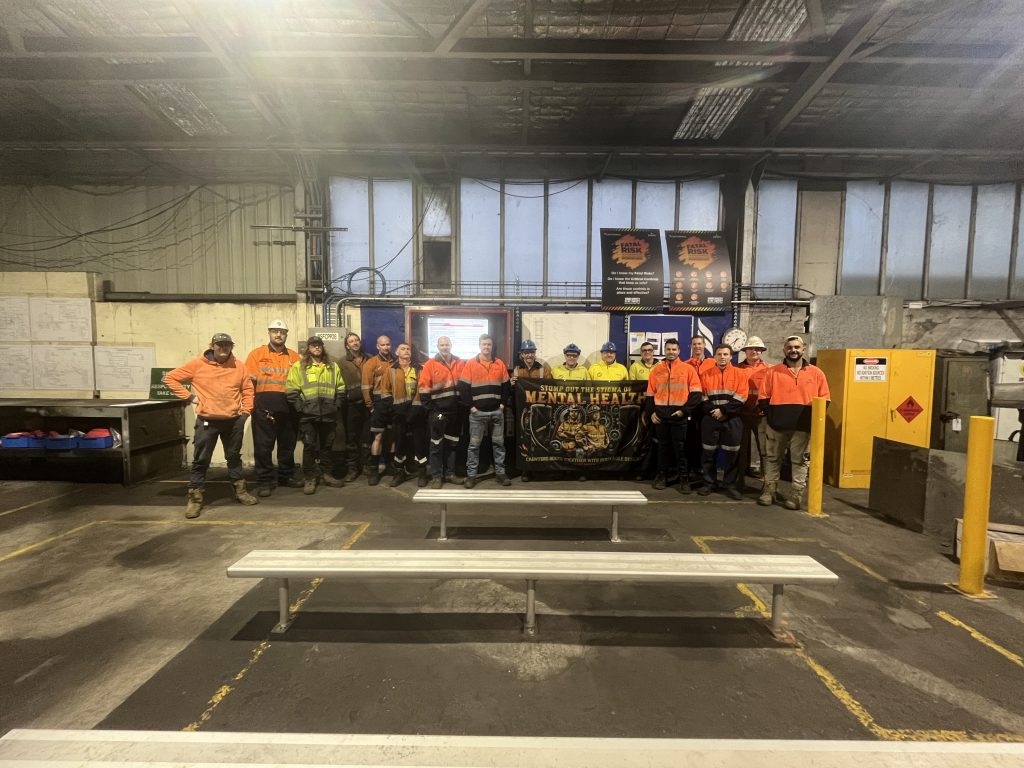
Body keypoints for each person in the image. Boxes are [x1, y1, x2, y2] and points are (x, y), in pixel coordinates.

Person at [164, 332, 258, 518]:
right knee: (201, 459)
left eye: (227, 345)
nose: (223, 348)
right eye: (220, 345)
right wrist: (189, 397)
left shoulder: (240, 367)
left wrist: (246, 412)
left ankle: (240, 491)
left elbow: (248, 390)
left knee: (233, 457)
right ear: (212, 346)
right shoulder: (197, 365)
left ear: (232, 347)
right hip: (207, 420)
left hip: (233, 421)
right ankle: (195, 497)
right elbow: (169, 378)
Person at [758, 335, 831, 510]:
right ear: (784, 350)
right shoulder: (772, 372)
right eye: (789, 347)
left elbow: (825, 400)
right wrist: (774, 418)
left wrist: (810, 421)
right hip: (777, 426)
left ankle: (796, 494)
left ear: (803, 350)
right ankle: (769, 491)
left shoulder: (816, 373)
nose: (793, 350)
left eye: (797, 347)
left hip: (803, 428)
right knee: (773, 459)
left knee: (800, 461)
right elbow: (763, 398)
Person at [244, 319, 302, 497]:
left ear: (286, 335)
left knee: (287, 445)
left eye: (282, 332)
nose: (278, 335)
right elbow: (249, 383)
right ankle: (264, 481)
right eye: (275, 331)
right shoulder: (256, 354)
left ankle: (286, 476)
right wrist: (250, 406)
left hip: (288, 406)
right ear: (269, 333)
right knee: (263, 446)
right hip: (264, 406)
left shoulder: (294, 357)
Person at [286, 336, 346, 494]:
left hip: (328, 413)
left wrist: (336, 406)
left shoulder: (332, 366)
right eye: (313, 345)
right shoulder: (300, 367)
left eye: (319, 345)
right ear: (308, 348)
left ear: (322, 347)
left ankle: (326, 474)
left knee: (327, 445)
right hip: (308, 415)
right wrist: (301, 409)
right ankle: (310, 478)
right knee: (310, 446)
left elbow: (340, 388)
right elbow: (291, 390)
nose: (316, 348)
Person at [645, 338, 703, 493]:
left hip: (680, 416)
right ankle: (661, 476)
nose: (671, 352)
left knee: (681, 449)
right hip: (661, 417)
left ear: (679, 351)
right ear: (664, 350)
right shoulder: (656, 370)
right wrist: (651, 413)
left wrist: (684, 411)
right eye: (668, 349)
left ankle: (684, 479)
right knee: (662, 448)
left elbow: (697, 394)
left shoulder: (688, 369)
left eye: (674, 349)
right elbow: (650, 395)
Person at [458, 333, 511, 488]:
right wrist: (472, 407)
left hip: (496, 412)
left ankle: (500, 473)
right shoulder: (470, 364)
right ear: (479, 345)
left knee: (499, 444)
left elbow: (506, 386)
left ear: (492, 346)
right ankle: (471, 476)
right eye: (484, 344)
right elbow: (463, 387)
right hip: (477, 413)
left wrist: (502, 405)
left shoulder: (499, 363)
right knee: (474, 446)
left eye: (489, 344)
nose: (486, 347)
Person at [697, 344, 749, 499]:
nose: (722, 357)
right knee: (708, 452)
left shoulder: (740, 374)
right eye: (719, 354)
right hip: (710, 419)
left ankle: (730, 485)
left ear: (731, 356)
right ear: (714, 356)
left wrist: (724, 411)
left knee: (732, 454)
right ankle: (709, 483)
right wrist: (715, 412)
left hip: (732, 420)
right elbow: (702, 397)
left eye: (726, 354)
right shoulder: (705, 374)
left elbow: (741, 397)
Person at [380, 342, 428, 487]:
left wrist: (416, 408)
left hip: (417, 412)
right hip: (399, 414)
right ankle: (399, 472)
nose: (406, 351)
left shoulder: (420, 369)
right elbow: (384, 391)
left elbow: (423, 389)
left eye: (408, 349)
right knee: (399, 443)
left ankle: (422, 473)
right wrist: (394, 409)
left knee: (419, 444)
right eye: (403, 349)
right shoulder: (391, 370)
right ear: (397, 352)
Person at [419, 335, 465, 488]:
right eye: (442, 345)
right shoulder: (429, 365)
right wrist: (433, 413)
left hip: (455, 413)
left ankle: (450, 474)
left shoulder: (459, 362)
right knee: (436, 445)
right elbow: (424, 392)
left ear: (451, 345)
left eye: (447, 344)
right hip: (438, 413)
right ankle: (437, 476)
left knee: (452, 444)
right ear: (438, 347)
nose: (445, 347)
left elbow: (464, 386)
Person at [684, 334, 716, 487]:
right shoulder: (685, 364)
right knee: (691, 439)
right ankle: (692, 469)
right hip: (691, 407)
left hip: (707, 407)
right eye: (694, 344)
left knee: (707, 440)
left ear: (704, 345)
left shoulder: (713, 363)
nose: (697, 346)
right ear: (691, 346)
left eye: (700, 344)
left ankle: (705, 471)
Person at [362, 335, 394, 486]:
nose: (386, 347)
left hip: (393, 403)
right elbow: (366, 387)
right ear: (377, 346)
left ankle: (390, 466)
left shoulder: (395, 362)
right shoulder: (371, 363)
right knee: (378, 437)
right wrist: (371, 406)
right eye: (383, 345)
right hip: (379, 404)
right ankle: (374, 469)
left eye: (388, 344)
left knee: (392, 436)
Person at [338, 332, 370, 482]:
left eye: (357, 340)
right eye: (351, 341)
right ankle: (353, 468)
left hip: (369, 404)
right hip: (351, 406)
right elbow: (339, 383)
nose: (355, 343)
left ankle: (367, 466)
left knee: (367, 436)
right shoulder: (341, 362)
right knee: (351, 438)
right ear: (347, 345)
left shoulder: (369, 358)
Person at [737, 336, 769, 481]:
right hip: (741, 414)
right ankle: (741, 475)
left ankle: (766, 476)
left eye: (757, 349)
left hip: (760, 415)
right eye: (751, 348)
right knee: (742, 448)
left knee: (764, 447)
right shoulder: (737, 369)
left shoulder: (769, 370)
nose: (754, 351)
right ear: (745, 351)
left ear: (761, 351)